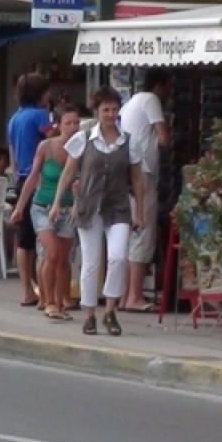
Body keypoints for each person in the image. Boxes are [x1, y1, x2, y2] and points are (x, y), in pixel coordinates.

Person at [49, 87, 145, 337]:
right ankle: (90, 314)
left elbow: (137, 178)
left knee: (117, 257)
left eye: (114, 110)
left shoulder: (128, 141)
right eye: (106, 110)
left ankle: (110, 310)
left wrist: (140, 211)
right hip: (89, 208)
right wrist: (58, 201)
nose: (111, 114)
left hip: (118, 207)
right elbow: (68, 172)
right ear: (97, 111)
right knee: (91, 262)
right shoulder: (84, 138)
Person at [11, 106, 81, 322]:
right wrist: (19, 207)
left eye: (76, 123)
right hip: (42, 207)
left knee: (64, 259)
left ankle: (61, 302)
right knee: (51, 253)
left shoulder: (81, 150)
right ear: (58, 125)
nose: (72, 127)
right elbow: (32, 177)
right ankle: (49, 301)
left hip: (68, 209)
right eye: (68, 123)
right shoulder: (46, 146)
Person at [119, 68, 173, 313]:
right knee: (143, 232)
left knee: (132, 233)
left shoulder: (130, 102)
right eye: (168, 86)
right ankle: (135, 296)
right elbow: (164, 138)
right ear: (160, 85)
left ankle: (124, 295)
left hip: (131, 171)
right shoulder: (151, 100)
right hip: (145, 172)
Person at [6, 73, 54, 307]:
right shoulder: (40, 116)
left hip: (21, 178)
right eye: (46, 92)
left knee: (23, 239)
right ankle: (46, 292)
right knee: (43, 236)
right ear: (39, 94)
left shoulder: (15, 118)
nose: (49, 96)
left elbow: (13, 152)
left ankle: (27, 290)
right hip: (41, 179)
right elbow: (54, 143)